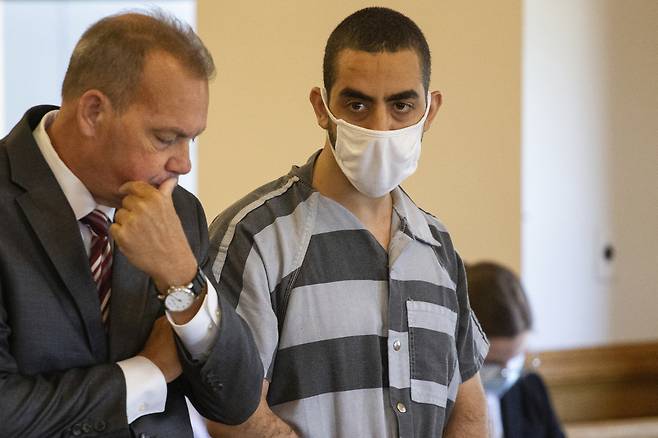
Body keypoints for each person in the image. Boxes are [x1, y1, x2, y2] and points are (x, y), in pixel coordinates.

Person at [205, 7, 490, 438]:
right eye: (357, 105)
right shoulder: (257, 238)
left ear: (429, 111)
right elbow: (232, 414)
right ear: (322, 107)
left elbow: (468, 408)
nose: (380, 126)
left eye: (401, 105)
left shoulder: (436, 247)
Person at [0, 11, 263, 437]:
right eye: (165, 138)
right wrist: (147, 373)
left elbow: (235, 401)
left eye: (191, 138)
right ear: (92, 112)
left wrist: (182, 279)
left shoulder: (179, 213)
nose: (183, 163)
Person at [466, 261, 565, 438]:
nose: (506, 373)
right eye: (493, 363)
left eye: (515, 358)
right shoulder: (436, 404)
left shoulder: (531, 389)